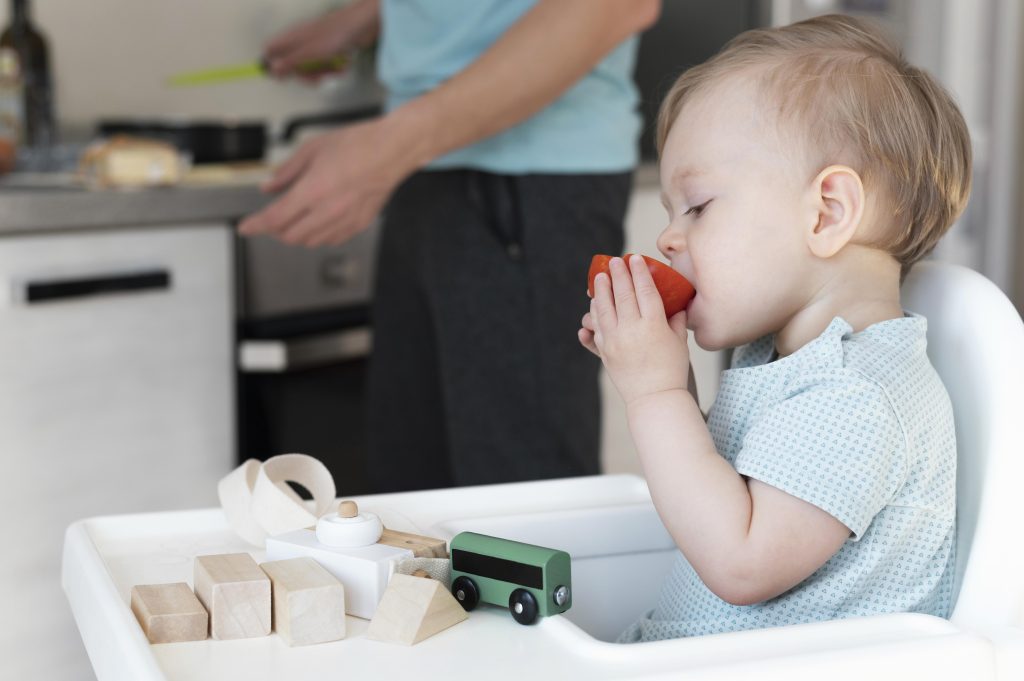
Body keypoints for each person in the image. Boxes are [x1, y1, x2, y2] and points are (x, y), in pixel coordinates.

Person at [579, 14, 971, 642]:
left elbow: (740, 561)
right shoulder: (777, 357)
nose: (668, 238)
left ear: (827, 212)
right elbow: (716, 497)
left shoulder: (856, 396)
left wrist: (654, 395)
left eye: (699, 206)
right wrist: (670, 378)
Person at [238, 0, 660, 492]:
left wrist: (387, 146)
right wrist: (364, 18)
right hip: (426, 166)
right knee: (411, 496)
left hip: (525, 174)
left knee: (521, 508)